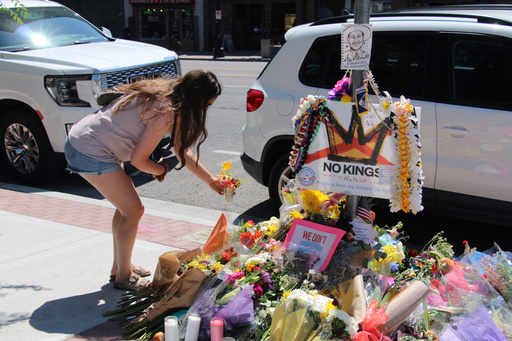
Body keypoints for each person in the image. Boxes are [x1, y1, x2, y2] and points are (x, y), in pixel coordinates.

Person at [64, 69, 225, 291]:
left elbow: (181, 149)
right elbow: (139, 160)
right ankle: (123, 276)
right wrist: (159, 169)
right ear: (196, 97)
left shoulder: (169, 95)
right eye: (206, 104)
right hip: (89, 149)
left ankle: (119, 267)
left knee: (125, 209)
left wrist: (211, 180)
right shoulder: (166, 110)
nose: (206, 110)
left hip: (88, 140)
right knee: (133, 210)